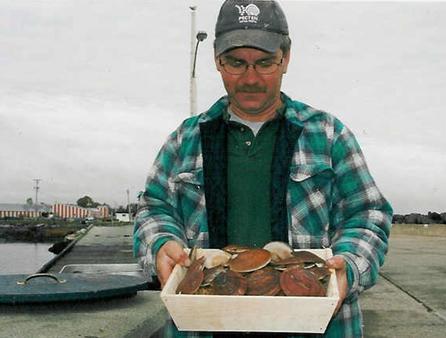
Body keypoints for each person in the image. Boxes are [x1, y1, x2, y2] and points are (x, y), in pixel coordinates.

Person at [133, 0, 393, 337]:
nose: (251, 79)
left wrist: (350, 267)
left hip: (318, 328)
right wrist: (161, 243)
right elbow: (154, 208)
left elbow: (368, 214)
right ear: (217, 60)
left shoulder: (329, 134)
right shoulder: (184, 139)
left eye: (265, 62)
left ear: (286, 58)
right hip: (203, 327)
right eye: (236, 63)